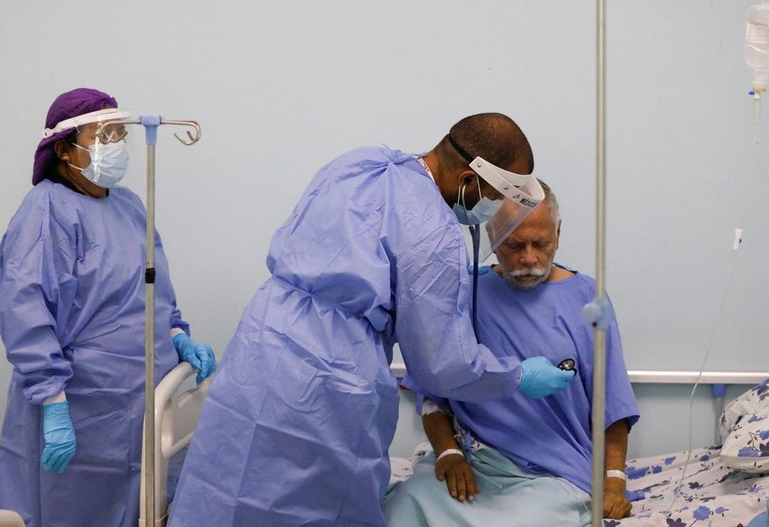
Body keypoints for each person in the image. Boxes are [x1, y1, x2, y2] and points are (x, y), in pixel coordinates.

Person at [168, 113, 575, 527]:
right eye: (497, 195)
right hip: (330, 377)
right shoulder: (434, 235)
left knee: (228, 484)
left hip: (264, 337)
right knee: (309, 505)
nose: (494, 210)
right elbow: (442, 366)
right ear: (470, 180)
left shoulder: (362, 164)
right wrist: (516, 376)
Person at [0, 88, 217, 527]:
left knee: (138, 508)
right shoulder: (45, 212)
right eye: (104, 134)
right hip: (77, 406)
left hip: (137, 405)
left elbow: (151, 290)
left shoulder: (130, 207)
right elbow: (23, 311)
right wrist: (52, 401)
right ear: (65, 149)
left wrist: (176, 336)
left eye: (119, 134)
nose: (117, 144)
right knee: (68, 511)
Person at [383, 180, 640, 527]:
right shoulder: (467, 294)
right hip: (475, 463)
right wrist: (449, 453)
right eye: (514, 245)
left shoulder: (587, 299)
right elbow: (433, 395)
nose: (529, 258)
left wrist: (613, 483)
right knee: (401, 507)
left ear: (558, 233)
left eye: (541, 243)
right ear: (492, 234)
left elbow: (614, 407)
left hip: (551, 473)